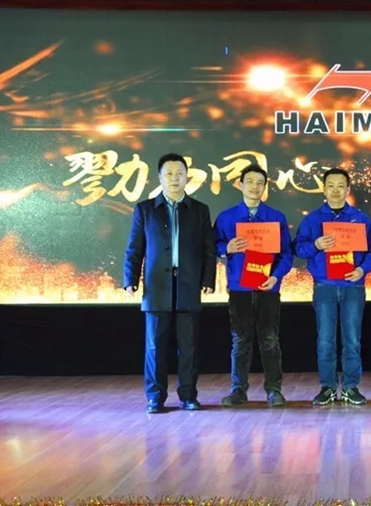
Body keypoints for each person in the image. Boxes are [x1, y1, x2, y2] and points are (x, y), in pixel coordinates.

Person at [123, 153, 216, 413]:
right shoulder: (145, 209)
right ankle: (155, 397)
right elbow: (134, 248)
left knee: (189, 347)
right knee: (155, 346)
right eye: (169, 173)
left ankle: (188, 395)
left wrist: (208, 279)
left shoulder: (199, 210)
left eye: (179, 173)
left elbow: (208, 249)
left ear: (187, 177)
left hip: (188, 284)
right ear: (160, 178)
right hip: (156, 286)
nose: (175, 178)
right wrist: (130, 279)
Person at [293, 168, 371, 406]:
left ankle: (351, 387)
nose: (335, 190)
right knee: (325, 340)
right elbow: (298, 249)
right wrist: (316, 245)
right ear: (324, 189)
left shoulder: (360, 218)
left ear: (347, 189)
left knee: (352, 340)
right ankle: (328, 387)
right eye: (330, 185)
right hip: (325, 287)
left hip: (353, 286)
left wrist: (362, 269)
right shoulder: (312, 220)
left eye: (340, 186)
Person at [213, 164, 293, 408]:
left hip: (268, 288)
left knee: (270, 340)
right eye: (250, 181)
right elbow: (212, 246)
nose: (254, 187)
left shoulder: (276, 217)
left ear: (265, 187)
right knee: (240, 341)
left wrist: (276, 277)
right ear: (240, 184)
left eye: (260, 183)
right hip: (240, 288)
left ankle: (274, 390)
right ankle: (238, 390)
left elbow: (286, 254)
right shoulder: (226, 217)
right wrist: (226, 248)